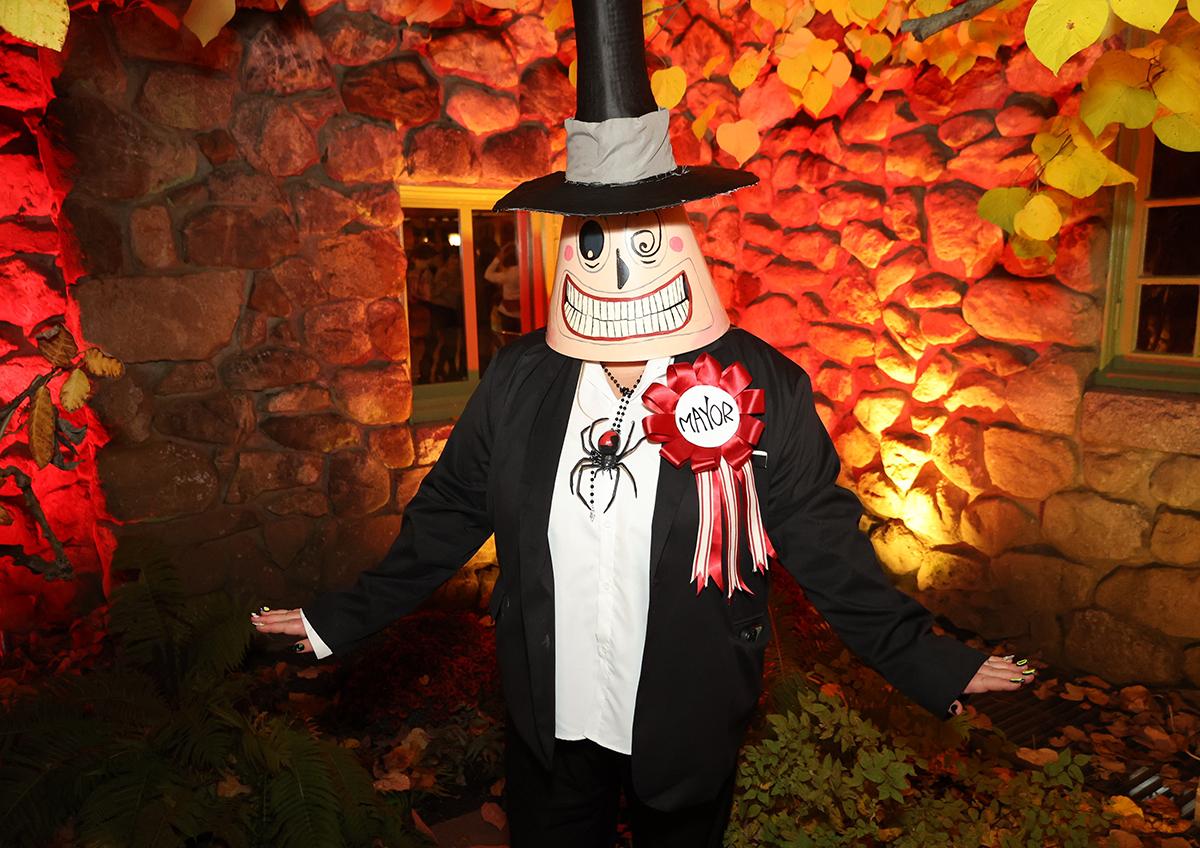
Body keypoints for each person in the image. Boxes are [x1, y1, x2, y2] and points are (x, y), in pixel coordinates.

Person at [251, 1, 1036, 844]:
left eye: (644, 237)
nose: (621, 266)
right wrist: (341, 617)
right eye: (597, 239)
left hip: (686, 717)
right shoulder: (521, 380)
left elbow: (822, 538)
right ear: (569, 241)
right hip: (552, 719)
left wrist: (928, 658)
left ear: (681, 238)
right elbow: (447, 515)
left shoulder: (758, 383)